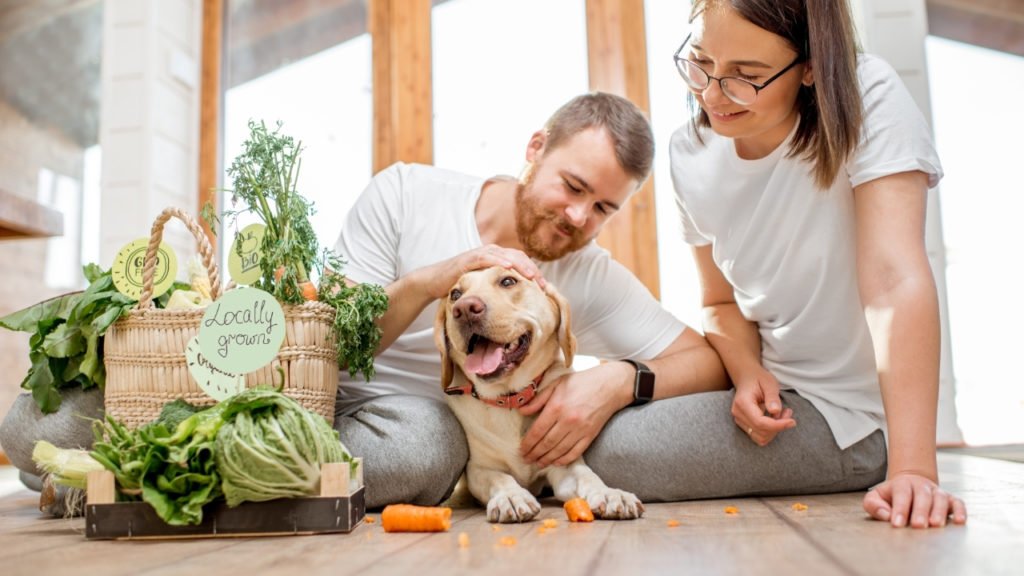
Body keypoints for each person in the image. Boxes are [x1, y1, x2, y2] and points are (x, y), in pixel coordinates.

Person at [617, 0, 965, 528]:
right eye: (700, 62)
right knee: (592, 429)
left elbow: (894, 282)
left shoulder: (867, 95)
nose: (711, 95)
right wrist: (748, 371)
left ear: (809, 67)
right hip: (773, 398)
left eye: (746, 77)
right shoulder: (687, 152)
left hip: (850, 420)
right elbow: (719, 301)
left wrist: (914, 468)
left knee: (609, 452)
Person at [331, 92, 728, 509]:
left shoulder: (588, 274)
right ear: (535, 149)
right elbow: (333, 343)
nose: (577, 216)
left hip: (470, 456)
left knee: (623, 437)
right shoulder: (405, 194)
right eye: (573, 187)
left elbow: (706, 364)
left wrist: (618, 381)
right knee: (430, 443)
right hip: (359, 421)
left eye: (602, 209)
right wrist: (431, 282)